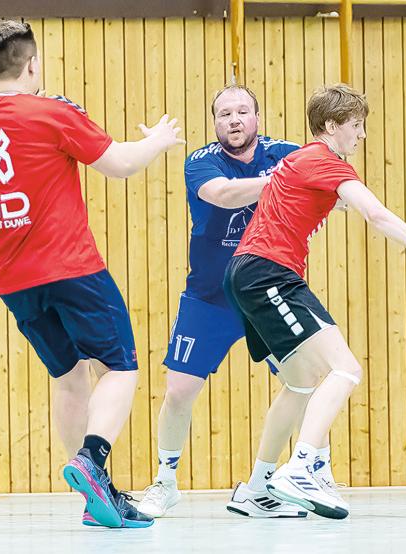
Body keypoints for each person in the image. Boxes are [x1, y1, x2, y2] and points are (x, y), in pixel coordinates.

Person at [0, 19, 183, 528]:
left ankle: (95, 500)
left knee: (69, 376)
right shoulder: (52, 114)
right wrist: (160, 140)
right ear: (33, 64)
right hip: (70, 267)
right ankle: (93, 459)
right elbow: (118, 163)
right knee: (120, 366)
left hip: (11, 278)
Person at [224, 84, 406, 519]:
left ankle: (256, 489)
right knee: (346, 368)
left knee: (301, 382)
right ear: (331, 126)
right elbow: (375, 214)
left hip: (250, 272)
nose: (361, 135)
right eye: (356, 126)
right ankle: (301, 466)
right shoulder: (325, 162)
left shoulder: (300, 161)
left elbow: (318, 202)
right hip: (270, 273)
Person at [136, 84, 336, 519]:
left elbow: (328, 184)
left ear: (257, 118)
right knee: (179, 389)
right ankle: (165, 482)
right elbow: (223, 194)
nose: (234, 120)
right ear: (215, 123)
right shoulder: (202, 161)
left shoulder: (285, 151)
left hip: (267, 290)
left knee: (307, 379)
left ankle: (291, 478)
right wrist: (281, 183)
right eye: (224, 114)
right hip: (210, 296)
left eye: (242, 111)